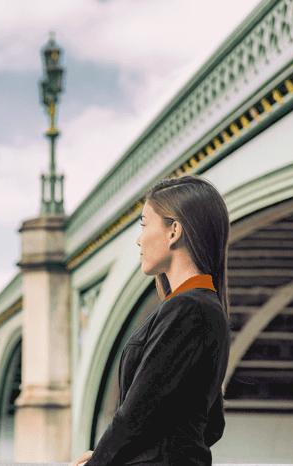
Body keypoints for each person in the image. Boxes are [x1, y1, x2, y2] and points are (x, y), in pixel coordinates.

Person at [71, 175, 232, 466]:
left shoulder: (186, 309)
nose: (139, 238)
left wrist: (101, 463)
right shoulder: (206, 308)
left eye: (144, 224)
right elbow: (212, 425)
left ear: (174, 232)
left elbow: (135, 413)